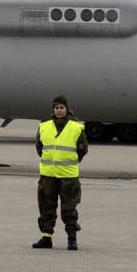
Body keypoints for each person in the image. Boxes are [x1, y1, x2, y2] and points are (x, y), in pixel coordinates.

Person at [32, 95, 88, 250]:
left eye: (61, 108)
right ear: (53, 109)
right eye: (56, 108)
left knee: (69, 209)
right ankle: (46, 237)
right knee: (46, 207)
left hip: (68, 176)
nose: (59, 111)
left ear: (66, 109)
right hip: (48, 174)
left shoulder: (76, 127)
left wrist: (69, 162)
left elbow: (83, 149)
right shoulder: (44, 125)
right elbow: (40, 146)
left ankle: (72, 238)